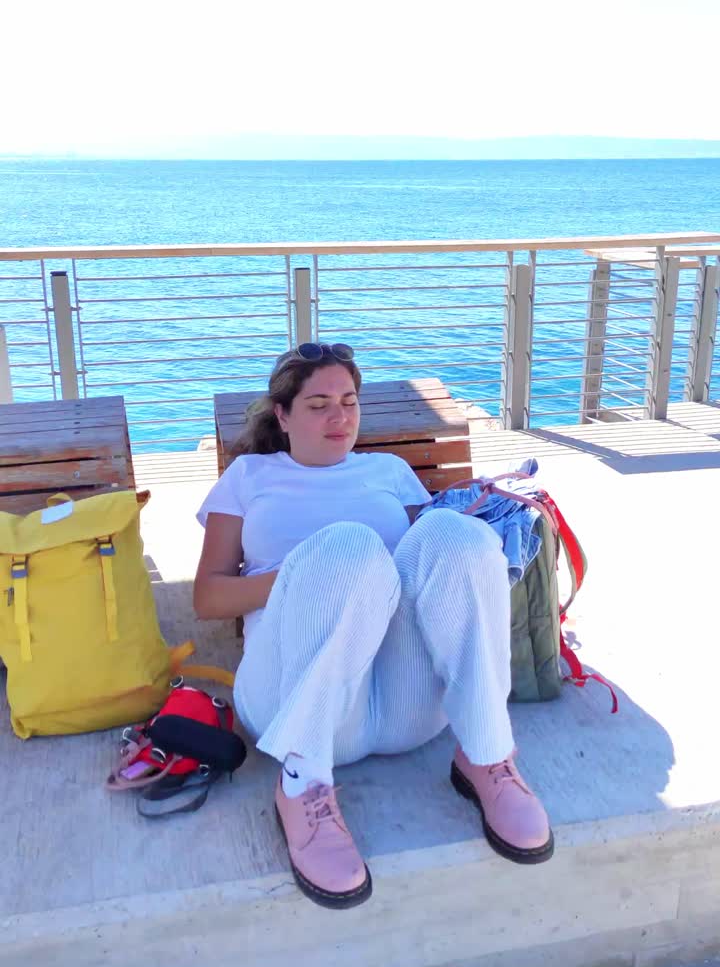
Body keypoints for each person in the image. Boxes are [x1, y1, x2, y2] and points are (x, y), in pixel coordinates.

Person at [194, 343, 553, 910]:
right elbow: (209, 595)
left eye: (349, 401)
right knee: (349, 547)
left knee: (456, 538)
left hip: (403, 706)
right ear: (283, 415)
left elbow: (424, 567)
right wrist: (303, 577)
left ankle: (486, 753)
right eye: (318, 405)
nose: (339, 417)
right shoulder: (249, 475)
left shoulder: (389, 470)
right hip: (293, 702)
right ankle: (303, 786)